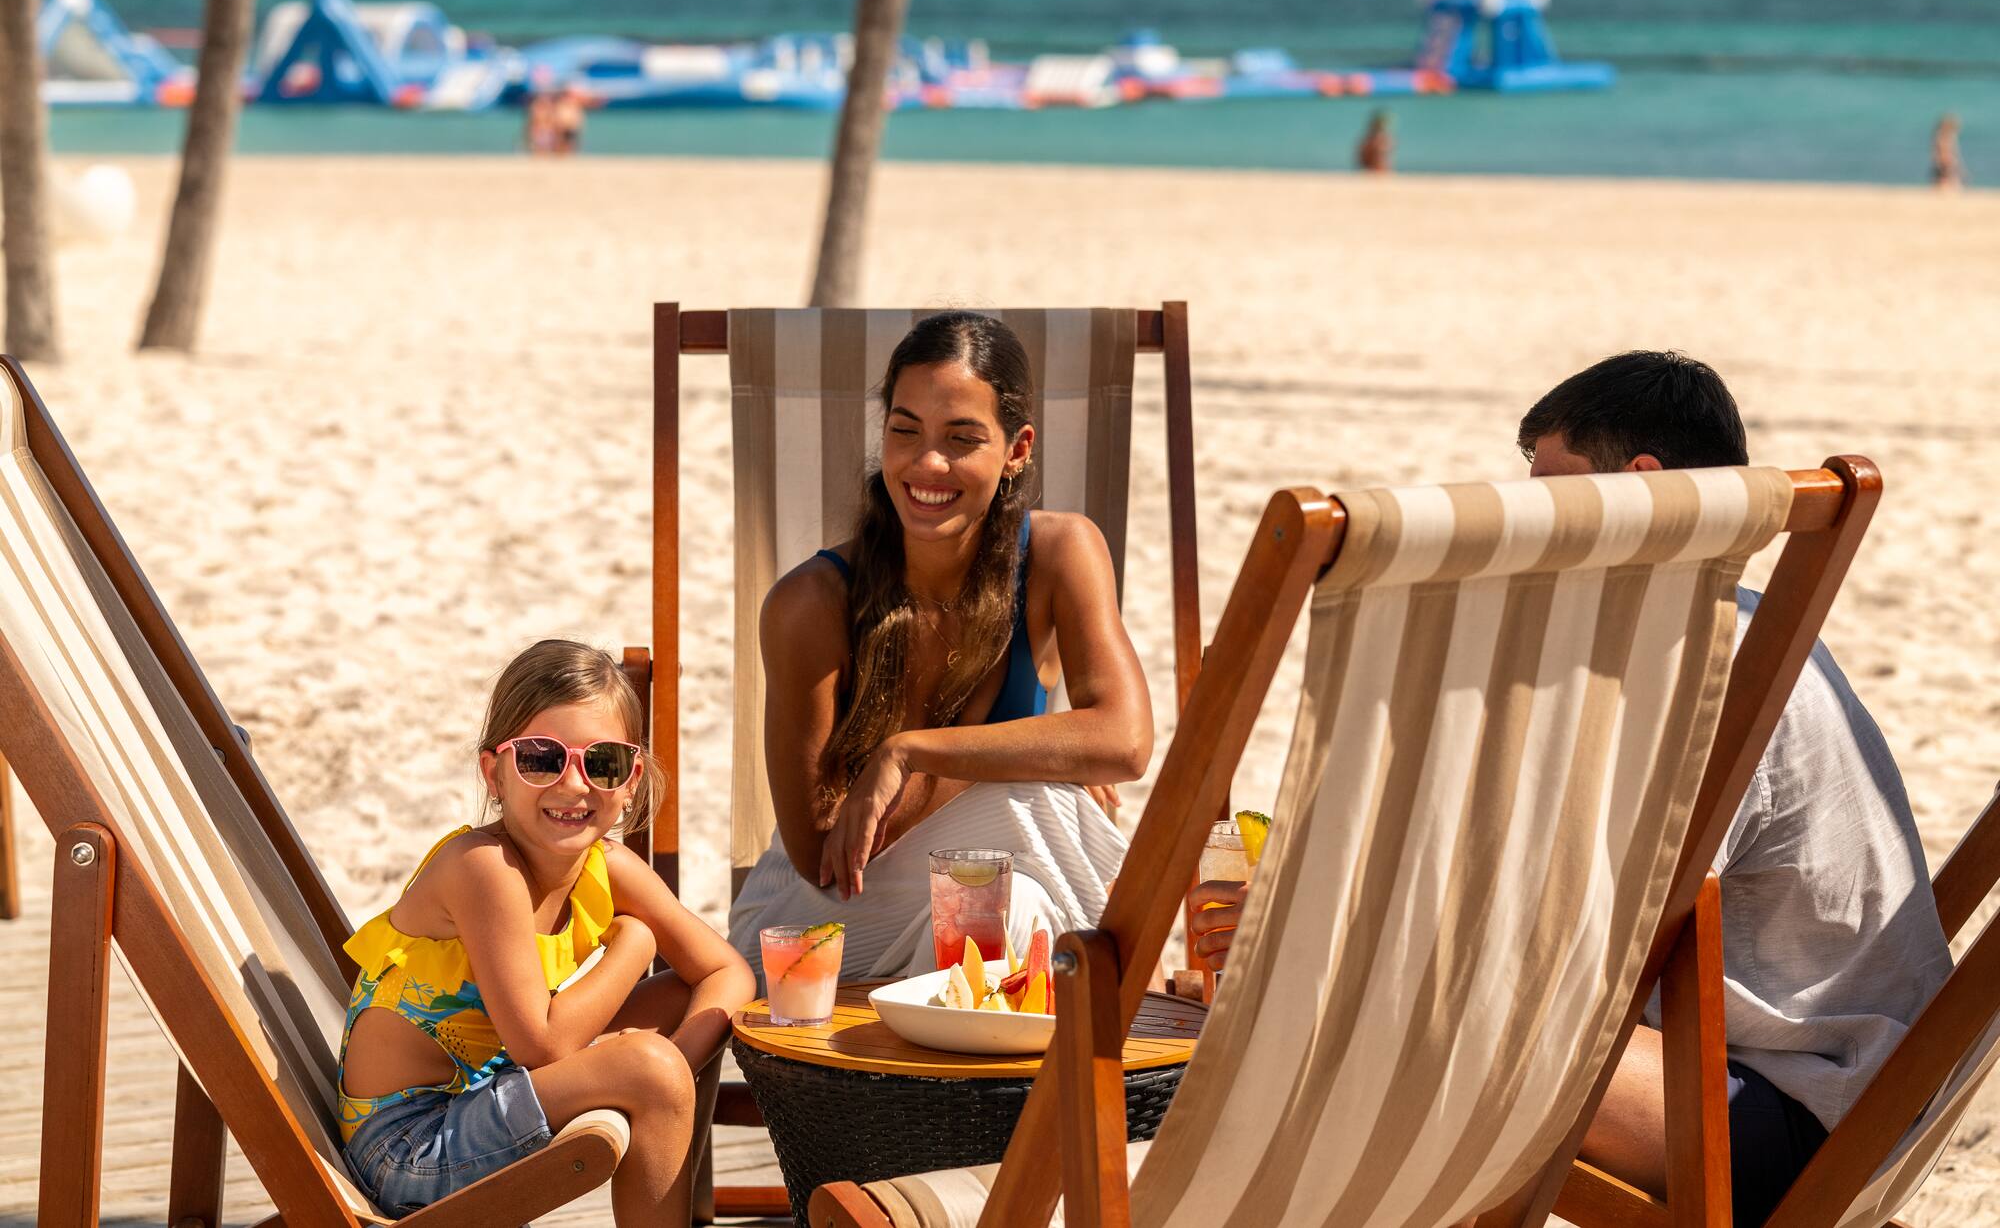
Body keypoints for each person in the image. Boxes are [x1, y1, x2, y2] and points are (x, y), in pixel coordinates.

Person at [1188, 351, 1952, 1227]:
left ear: (1638, 490)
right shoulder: (1731, 631)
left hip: (1794, 1118)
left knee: (1375, 1028)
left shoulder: (1711, 668)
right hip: (1837, 1092)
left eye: (1548, 489)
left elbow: (1574, 939)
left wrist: (1319, 937)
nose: (1531, 523)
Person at [726, 311, 1154, 982]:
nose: (928, 462)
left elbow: (1125, 741)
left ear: (1017, 449)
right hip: (815, 932)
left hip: (973, 921)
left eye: (962, 438)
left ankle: (959, 1082)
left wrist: (906, 753)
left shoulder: (1060, 553)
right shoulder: (810, 603)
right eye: (905, 430)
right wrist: (1034, 755)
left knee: (1012, 905)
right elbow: (822, 856)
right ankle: (1127, 1007)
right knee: (1037, 800)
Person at [337, 640, 754, 1224]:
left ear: (631, 780)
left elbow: (726, 972)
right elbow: (543, 1045)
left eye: (601, 762)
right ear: (495, 773)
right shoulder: (485, 868)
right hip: (410, 1148)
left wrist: (674, 1070)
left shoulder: (607, 867)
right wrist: (636, 948)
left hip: (486, 1093)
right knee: (649, 1067)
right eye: (541, 758)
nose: (573, 785)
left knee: (686, 1009)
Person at [1933, 113, 1966, 189]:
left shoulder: (1944, 136)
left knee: (1946, 183)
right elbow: (1943, 152)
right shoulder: (1942, 137)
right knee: (1945, 183)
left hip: (1946, 162)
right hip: (1945, 162)